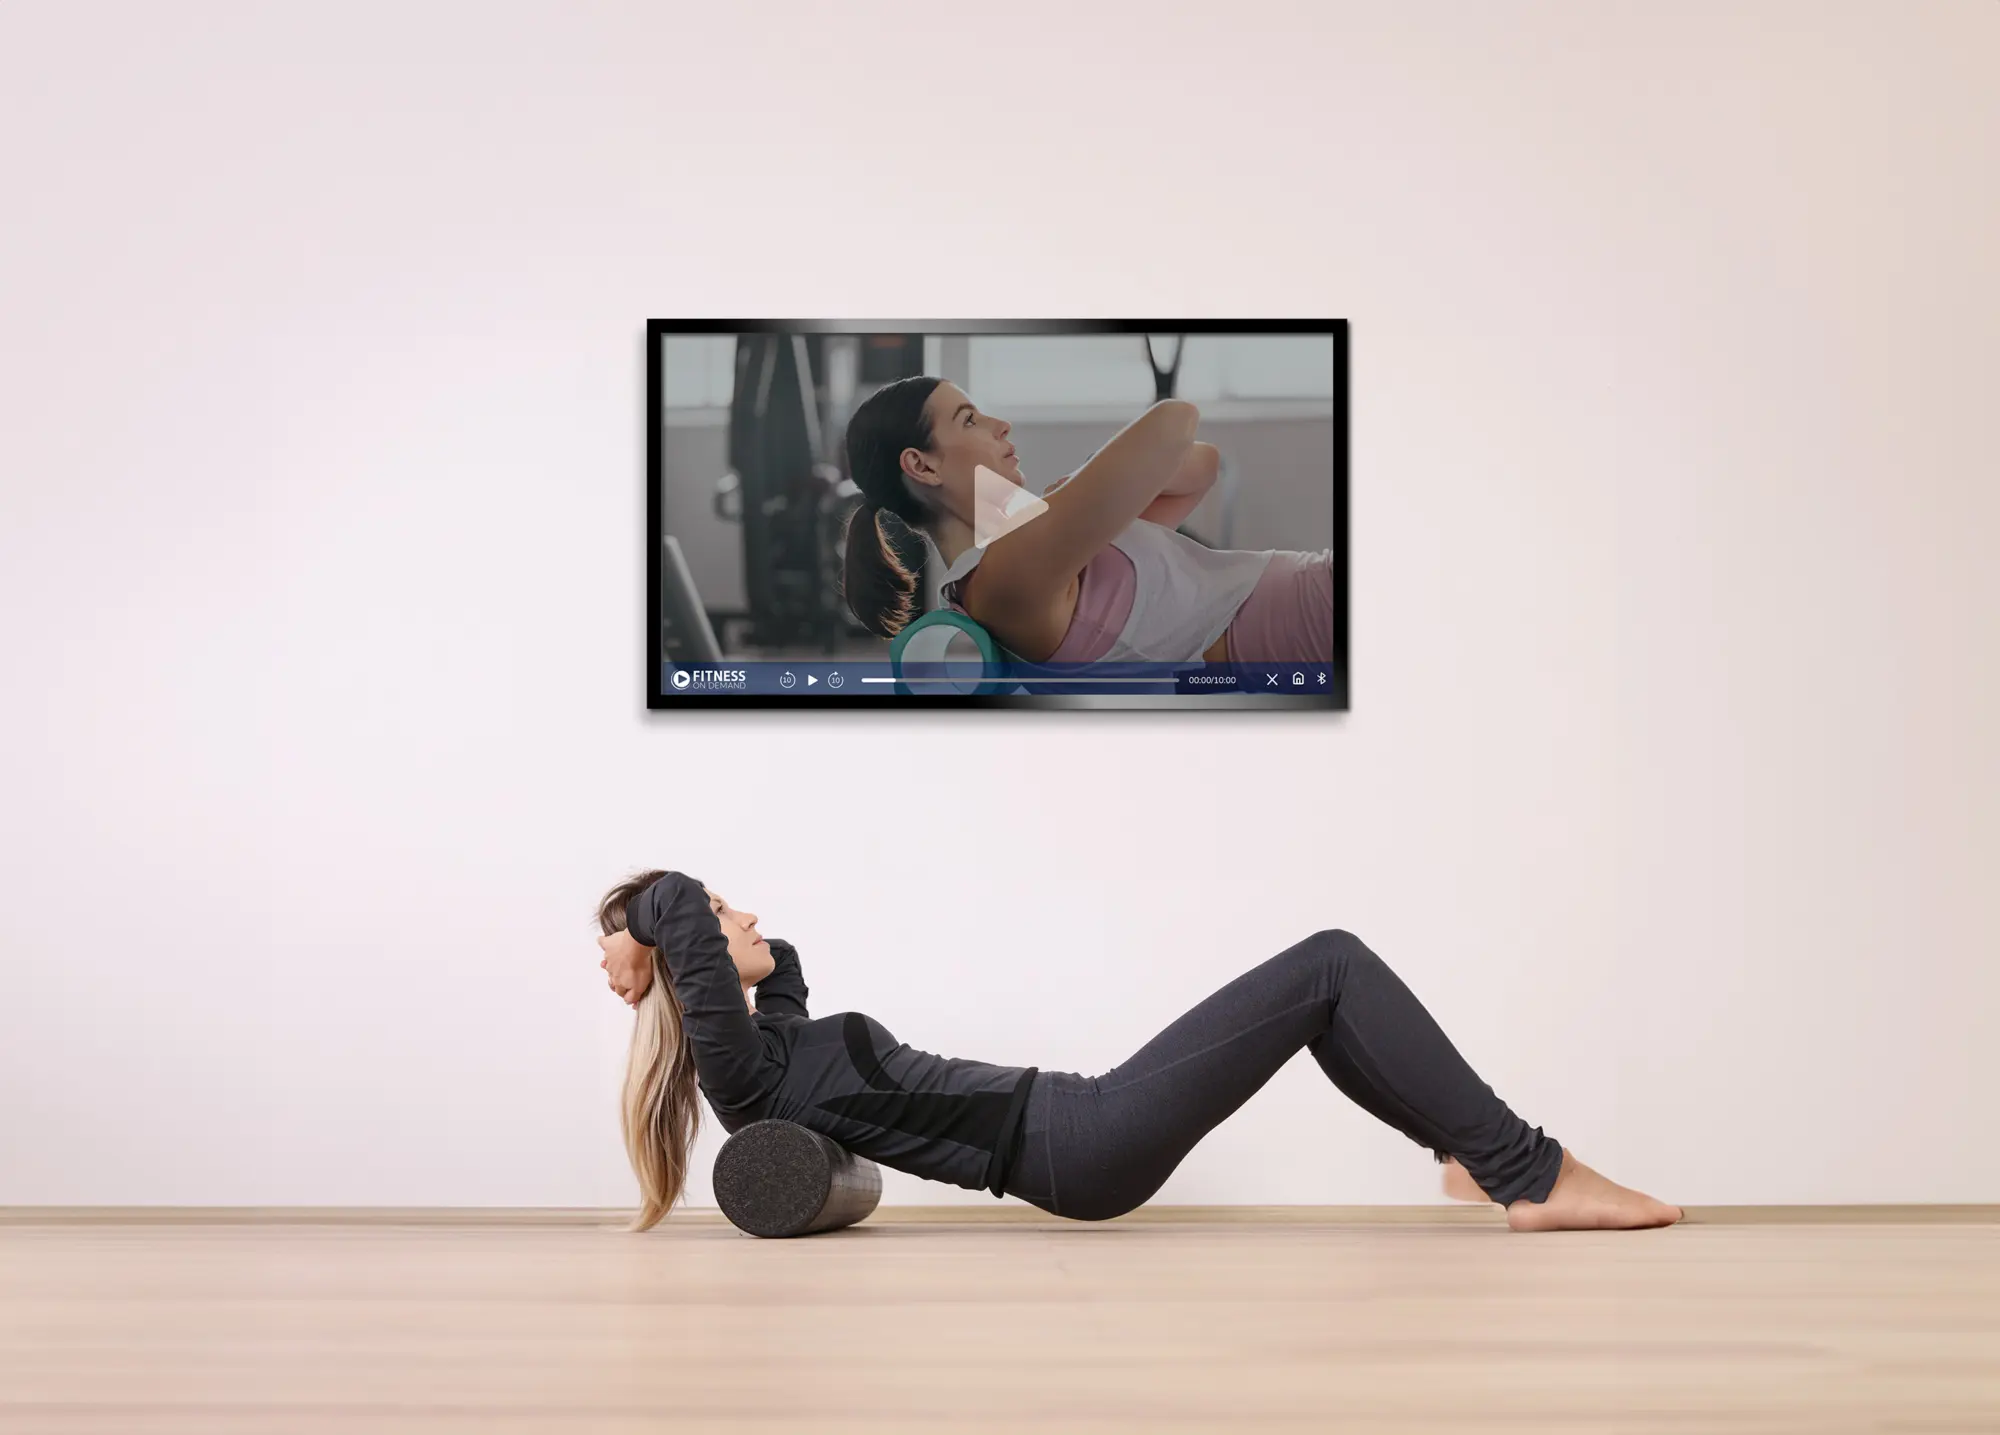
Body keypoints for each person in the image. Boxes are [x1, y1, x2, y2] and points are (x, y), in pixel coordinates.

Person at [595, 869, 1683, 1234]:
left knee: (1319, 992)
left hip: (1074, 1126)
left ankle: (1466, 1153)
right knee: (1330, 963)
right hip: (1076, 1140)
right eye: (716, 918)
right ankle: (1528, 1170)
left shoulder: (769, 1046)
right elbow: (684, 904)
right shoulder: (739, 1072)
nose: (744, 919)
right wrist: (642, 927)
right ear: (679, 971)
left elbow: (775, 955)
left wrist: (678, 941)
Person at [839, 377, 1334, 666]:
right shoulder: (1006, 573)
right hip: (1312, 616)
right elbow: (1174, 421)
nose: (1000, 425)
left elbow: (1199, 465)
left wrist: (1074, 496)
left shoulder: (1045, 552)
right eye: (969, 420)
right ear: (922, 466)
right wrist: (1080, 484)